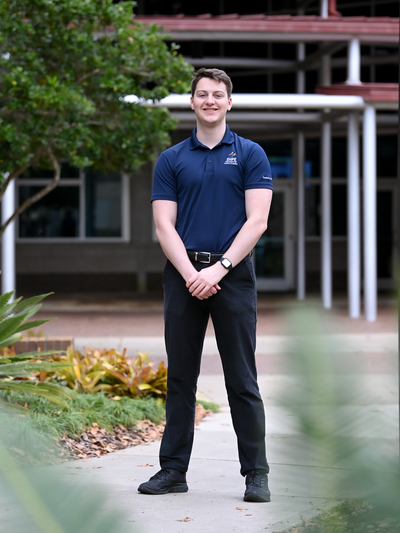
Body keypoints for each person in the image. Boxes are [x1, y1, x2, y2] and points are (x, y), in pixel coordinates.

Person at [138, 68, 273, 502]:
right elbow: (163, 225)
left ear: (229, 103)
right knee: (180, 377)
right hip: (183, 278)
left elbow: (258, 221)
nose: (210, 101)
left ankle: (256, 474)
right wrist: (191, 273)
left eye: (218, 95)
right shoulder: (172, 159)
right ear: (192, 102)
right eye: (202, 94)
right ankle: (172, 470)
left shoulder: (251, 154)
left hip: (232, 278)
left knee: (242, 379)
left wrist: (219, 269)